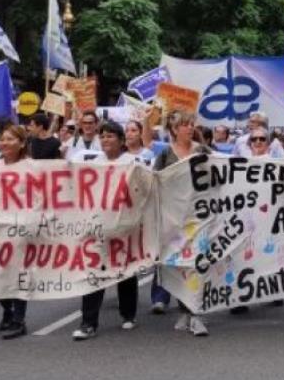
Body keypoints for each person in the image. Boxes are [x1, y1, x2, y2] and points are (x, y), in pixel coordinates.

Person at [72, 121, 139, 341]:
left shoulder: (133, 163)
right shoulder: (93, 164)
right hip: (98, 226)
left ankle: (128, 313)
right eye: (103, 136)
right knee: (94, 274)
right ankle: (88, 323)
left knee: (125, 273)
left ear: (121, 141)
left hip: (124, 226)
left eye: (111, 136)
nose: (106, 140)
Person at [153, 110, 212, 336]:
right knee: (179, 266)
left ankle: (196, 314)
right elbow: (155, 181)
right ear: (174, 130)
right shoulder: (166, 153)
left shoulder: (203, 151)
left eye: (191, 124)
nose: (189, 128)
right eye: (184, 125)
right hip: (174, 220)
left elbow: (225, 168)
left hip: (199, 217)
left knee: (197, 265)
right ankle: (185, 310)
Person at [0, 123, 32, 339]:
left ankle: (19, 319)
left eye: (10, 139)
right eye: (2, 139)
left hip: (21, 228)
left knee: (19, 272)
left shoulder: (31, 167)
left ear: (22, 143)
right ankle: (7, 310)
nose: (5, 143)